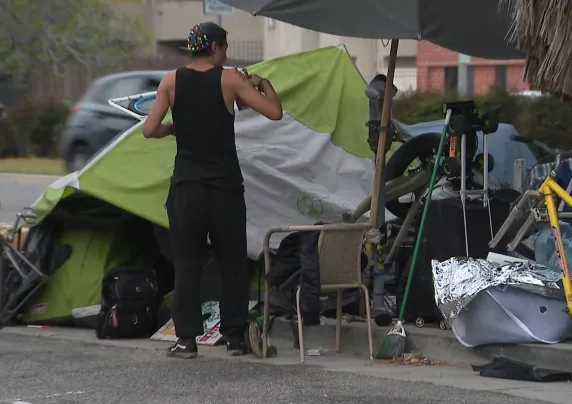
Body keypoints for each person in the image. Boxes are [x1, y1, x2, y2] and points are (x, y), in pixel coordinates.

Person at [142, 22, 282, 359]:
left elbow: (149, 130)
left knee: (187, 264)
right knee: (231, 262)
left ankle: (186, 340)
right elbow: (274, 112)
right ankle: (235, 337)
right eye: (225, 47)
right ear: (216, 47)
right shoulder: (230, 79)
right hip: (224, 190)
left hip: (187, 189)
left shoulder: (171, 81)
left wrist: (175, 128)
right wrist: (261, 82)